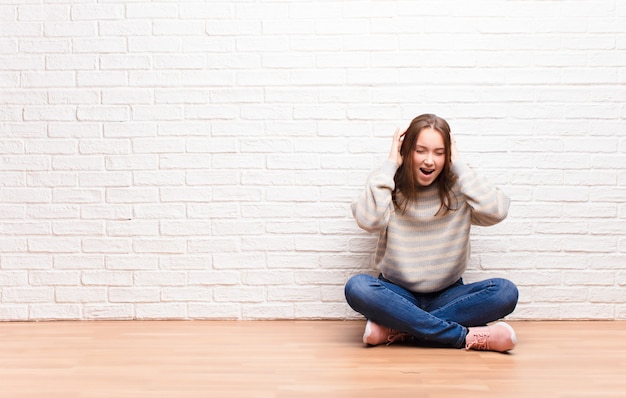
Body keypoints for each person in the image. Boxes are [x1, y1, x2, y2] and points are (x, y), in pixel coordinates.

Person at [345, 113, 519, 353]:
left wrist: (459, 165)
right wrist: (390, 164)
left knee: (505, 292)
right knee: (358, 287)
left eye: (439, 152)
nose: (429, 161)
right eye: (420, 151)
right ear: (406, 151)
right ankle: (463, 336)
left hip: (448, 294)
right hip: (397, 293)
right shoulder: (386, 182)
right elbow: (368, 220)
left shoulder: (461, 185)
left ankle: (401, 329)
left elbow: (497, 211)